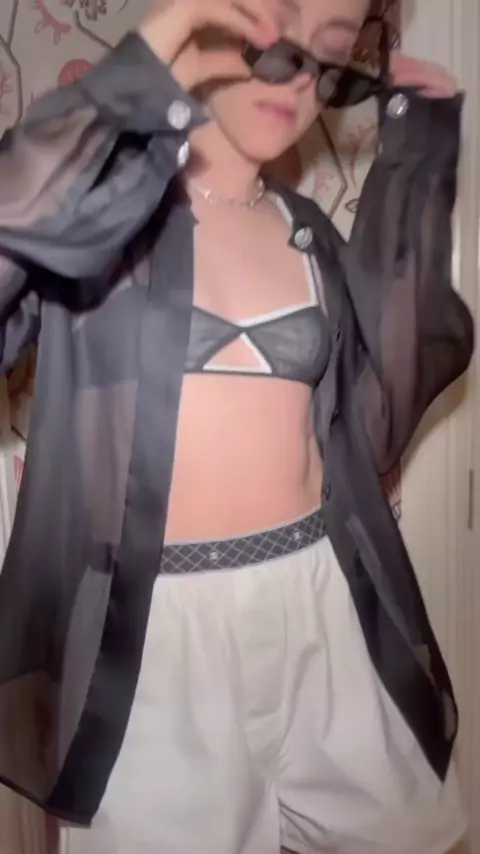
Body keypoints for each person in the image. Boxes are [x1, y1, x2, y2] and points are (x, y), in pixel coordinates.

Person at [0, 0, 474, 852]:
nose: (298, 79)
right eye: (276, 39)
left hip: (322, 604)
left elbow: (380, 409)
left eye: (329, 55)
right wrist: (129, 87)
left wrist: (417, 159)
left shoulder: (307, 232)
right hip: (155, 645)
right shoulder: (93, 221)